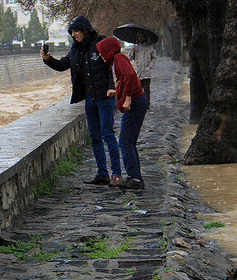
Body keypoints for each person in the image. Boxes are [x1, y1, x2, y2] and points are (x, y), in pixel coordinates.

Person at [41, 15, 122, 186]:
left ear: (85, 30)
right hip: (89, 97)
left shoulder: (100, 43)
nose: (73, 34)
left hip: (105, 96)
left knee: (108, 134)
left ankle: (116, 174)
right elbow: (63, 64)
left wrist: (111, 86)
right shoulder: (75, 49)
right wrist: (48, 60)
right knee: (95, 136)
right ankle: (102, 173)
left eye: (76, 31)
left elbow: (110, 66)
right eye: (71, 32)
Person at [96, 36, 149, 190]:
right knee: (129, 142)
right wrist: (117, 91)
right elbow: (124, 80)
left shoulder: (119, 58)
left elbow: (130, 77)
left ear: (108, 50)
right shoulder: (116, 61)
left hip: (135, 103)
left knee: (125, 141)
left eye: (102, 52)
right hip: (137, 101)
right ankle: (136, 178)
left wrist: (127, 98)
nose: (100, 55)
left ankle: (135, 179)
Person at [128, 31, 156, 105]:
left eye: (142, 36)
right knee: (138, 88)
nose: (140, 38)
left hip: (147, 71)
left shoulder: (150, 47)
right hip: (138, 71)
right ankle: (139, 103)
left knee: (146, 89)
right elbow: (130, 58)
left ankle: (147, 103)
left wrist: (150, 66)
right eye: (139, 37)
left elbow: (154, 57)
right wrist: (132, 50)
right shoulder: (135, 48)